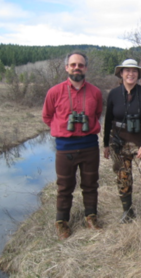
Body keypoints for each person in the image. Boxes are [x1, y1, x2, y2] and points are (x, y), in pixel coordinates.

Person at [42, 51, 103, 240]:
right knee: (64, 186)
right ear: (66, 67)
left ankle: (91, 217)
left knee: (90, 184)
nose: (77, 68)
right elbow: (47, 116)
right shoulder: (55, 91)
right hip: (65, 147)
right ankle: (62, 222)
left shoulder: (95, 92)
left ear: (86, 68)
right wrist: (62, 129)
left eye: (81, 65)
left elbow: (97, 114)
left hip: (90, 146)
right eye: (73, 64)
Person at [103, 59, 141, 227]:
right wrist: (106, 144)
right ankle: (127, 211)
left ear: (138, 75)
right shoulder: (113, 94)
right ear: (121, 73)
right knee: (123, 177)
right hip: (119, 144)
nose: (130, 74)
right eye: (127, 70)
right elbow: (107, 120)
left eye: (134, 71)